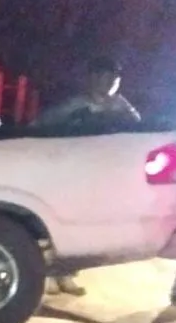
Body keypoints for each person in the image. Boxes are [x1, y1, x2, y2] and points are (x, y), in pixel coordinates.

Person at [35, 57, 142, 296]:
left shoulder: (121, 106)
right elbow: (41, 124)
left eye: (115, 78)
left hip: (99, 175)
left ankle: (67, 274)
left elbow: (138, 126)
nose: (110, 83)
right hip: (71, 173)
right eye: (105, 77)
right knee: (58, 225)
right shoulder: (76, 105)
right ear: (92, 78)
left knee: (82, 229)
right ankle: (48, 274)